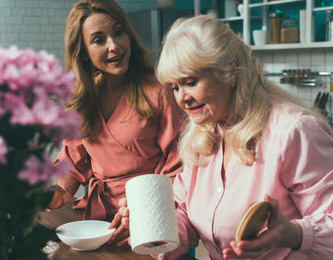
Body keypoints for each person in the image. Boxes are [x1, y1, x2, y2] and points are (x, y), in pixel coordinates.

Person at [110, 15, 333, 259]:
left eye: (190, 82)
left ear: (230, 71)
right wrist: (153, 224)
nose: (182, 98)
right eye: (174, 87)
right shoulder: (202, 135)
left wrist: (293, 233)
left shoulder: (294, 132)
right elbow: (184, 213)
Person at [47, 0, 183, 231]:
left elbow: (179, 162)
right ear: (83, 52)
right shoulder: (82, 101)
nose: (114, 45)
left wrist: (143, 204)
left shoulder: (160, 90)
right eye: (99, 40)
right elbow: (73, 160)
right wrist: (60, 191)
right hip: (100, 220)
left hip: (153, 213)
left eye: (118, 32)